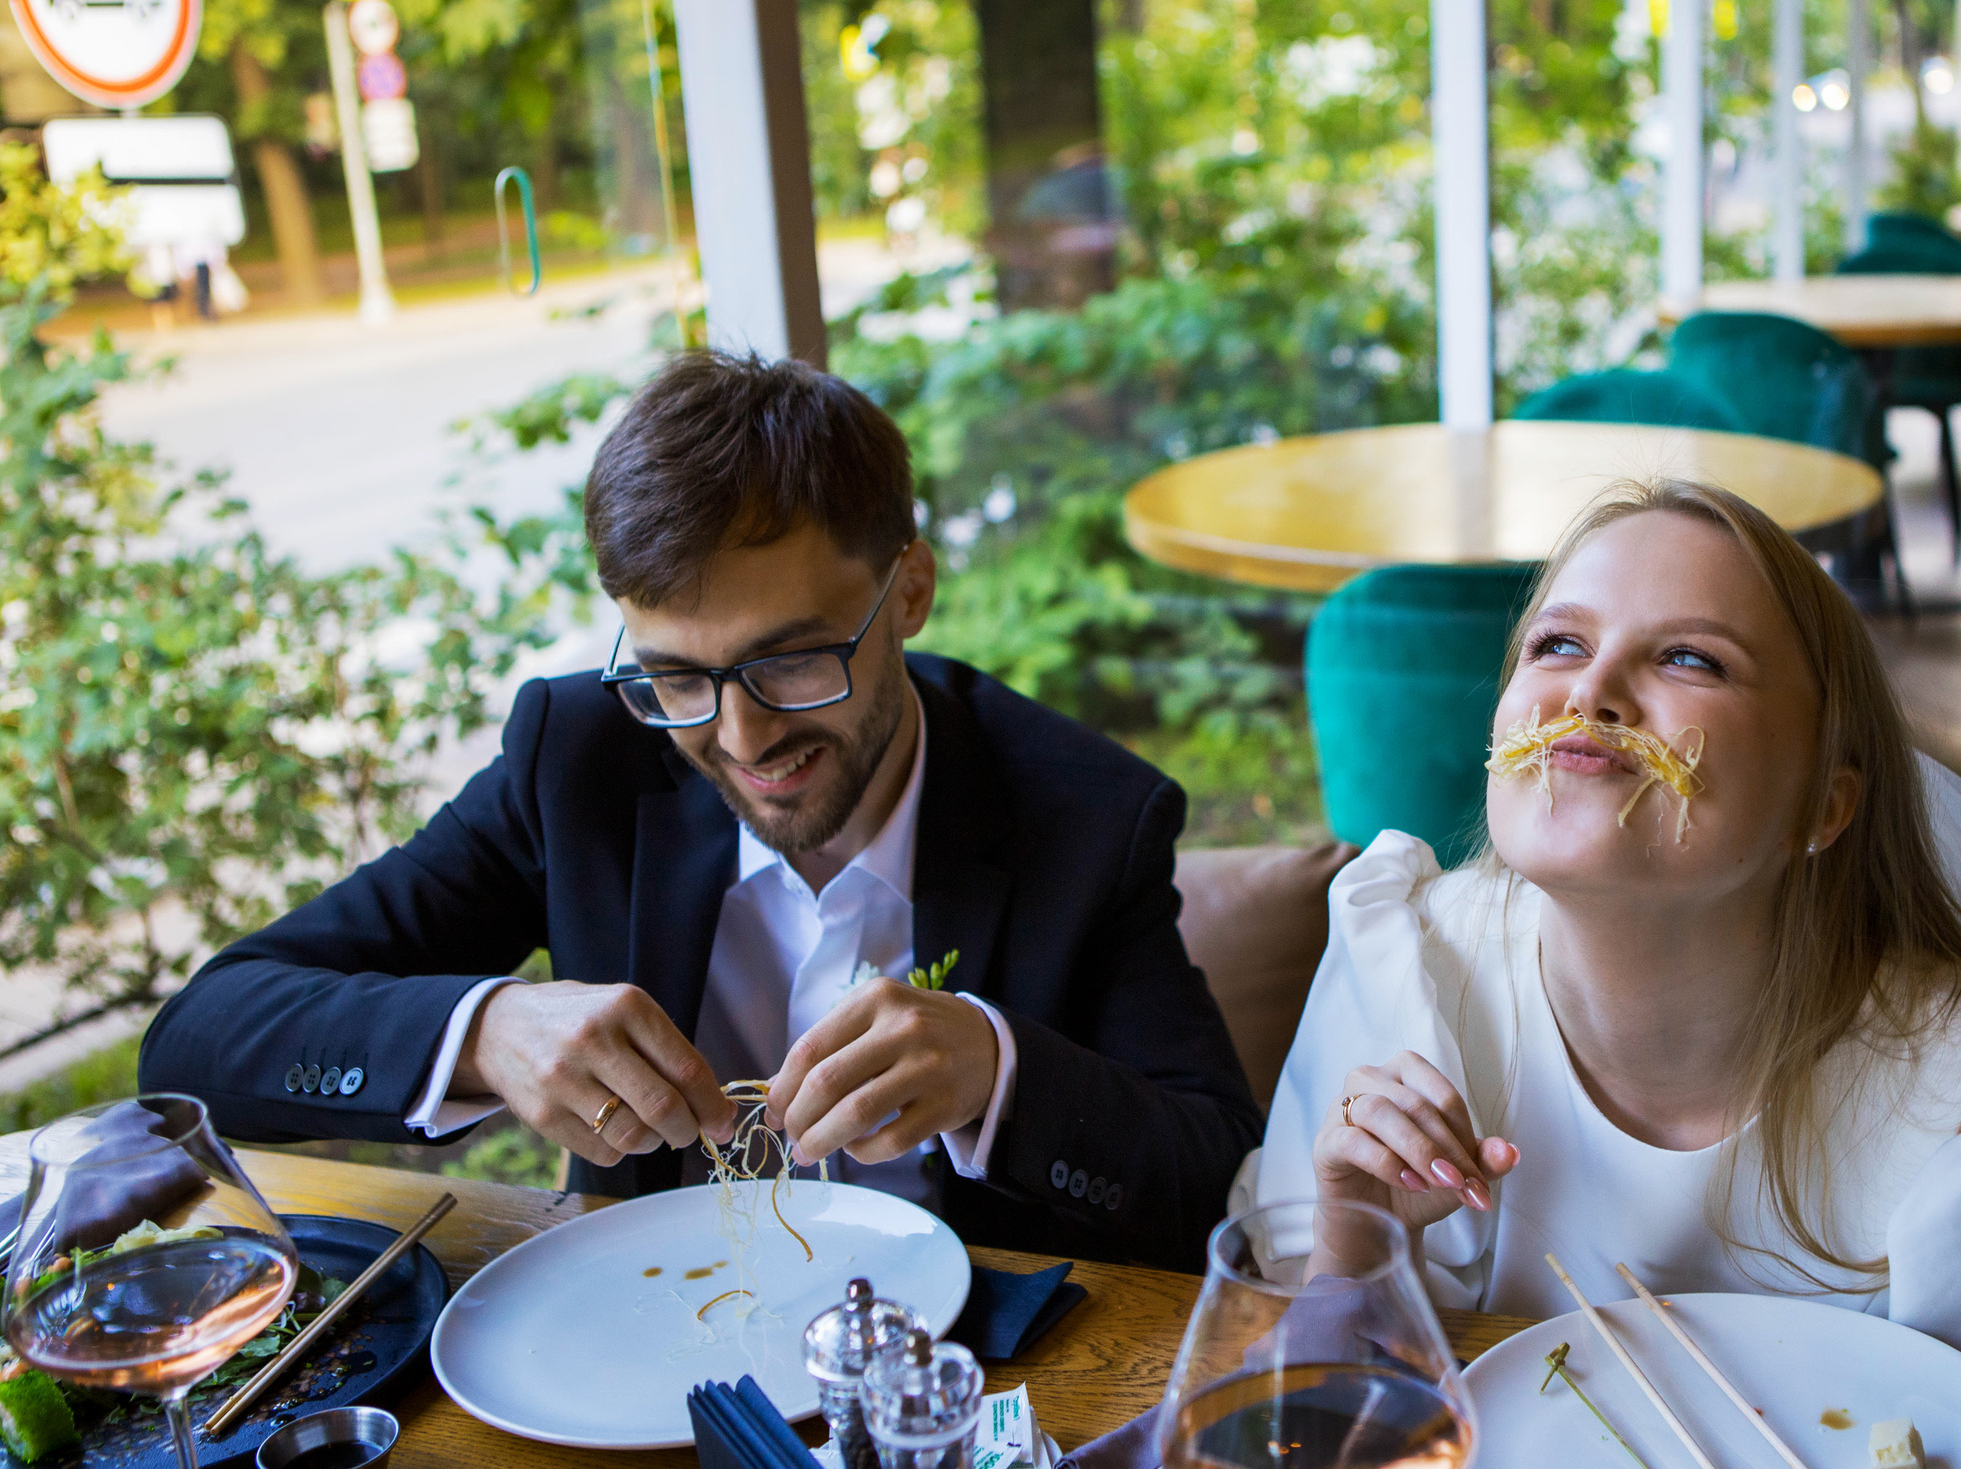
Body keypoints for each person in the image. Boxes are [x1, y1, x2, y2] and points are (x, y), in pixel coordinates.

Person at [1245, 478, 1961, 1426]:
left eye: (1688, 659)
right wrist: (1356, 1241)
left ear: (1825, 808)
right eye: (1557, 641)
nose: (1590, 689)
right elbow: (1317, 1427)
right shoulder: (1410, 961)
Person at [142, 351, 1259, 1270]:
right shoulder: (577, 763)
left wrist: (998, 1071)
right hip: (641, 1335)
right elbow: (197, 1044)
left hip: (965, 1382)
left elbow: (1219, 1178)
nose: (740, 737)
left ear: (908, 591)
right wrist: (481, 1032)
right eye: (678, 677)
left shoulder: (1086, 815)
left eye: (793, 661)